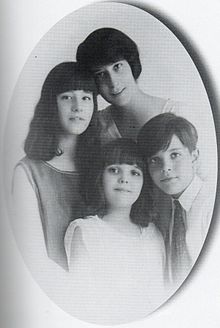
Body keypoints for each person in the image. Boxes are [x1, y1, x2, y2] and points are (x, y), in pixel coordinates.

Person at [64, 138, 166, 325]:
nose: (124, 179)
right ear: (99, 176)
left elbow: (160, 295)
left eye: (135, 172)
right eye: (114, 170)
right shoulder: (86, 232)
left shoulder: (153, 235)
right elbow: (83, 300)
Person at [12, 61, 100, 271]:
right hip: (56, 290)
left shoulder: (103, 164)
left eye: (86, 97)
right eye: (67, 97)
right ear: (51, 104)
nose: (78, 106)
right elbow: (33, 257)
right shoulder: (27, 172)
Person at [137, 113, 216, 288]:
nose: (166, 168)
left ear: (194, 157)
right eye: (155, 160)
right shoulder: (170, 210)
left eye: (175, 155)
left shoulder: (212, 206)